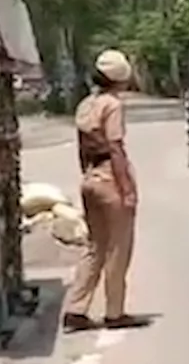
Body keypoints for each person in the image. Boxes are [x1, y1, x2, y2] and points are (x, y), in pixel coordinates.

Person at [61, 49, 151, 332]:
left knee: (94, 247)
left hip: (90, 178)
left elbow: (82, 146)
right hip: (109, 178)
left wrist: (87, 175)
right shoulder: (112, 106)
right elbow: (115, 147)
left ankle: (76, 308)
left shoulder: (86, 104)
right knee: (118, 248)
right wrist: (127, 189)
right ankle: (115, 312)